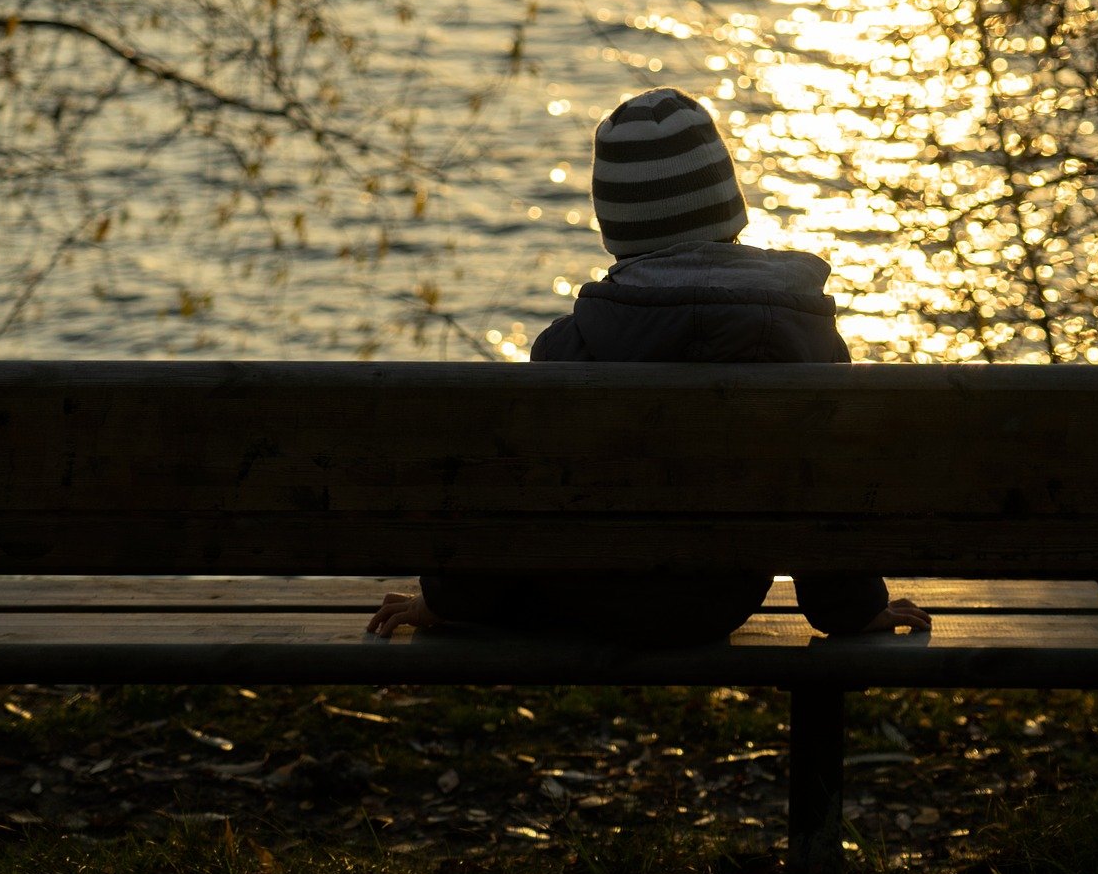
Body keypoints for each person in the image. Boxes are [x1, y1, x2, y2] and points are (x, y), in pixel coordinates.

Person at [368, 87, 930, 644]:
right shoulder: (806, 333)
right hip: (718, 605)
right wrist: (853, 610)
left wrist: (444, 600)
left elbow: (517, 495)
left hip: (581, 603)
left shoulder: (571, 348)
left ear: (617, 226)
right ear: (729, 204)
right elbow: (824, 485)